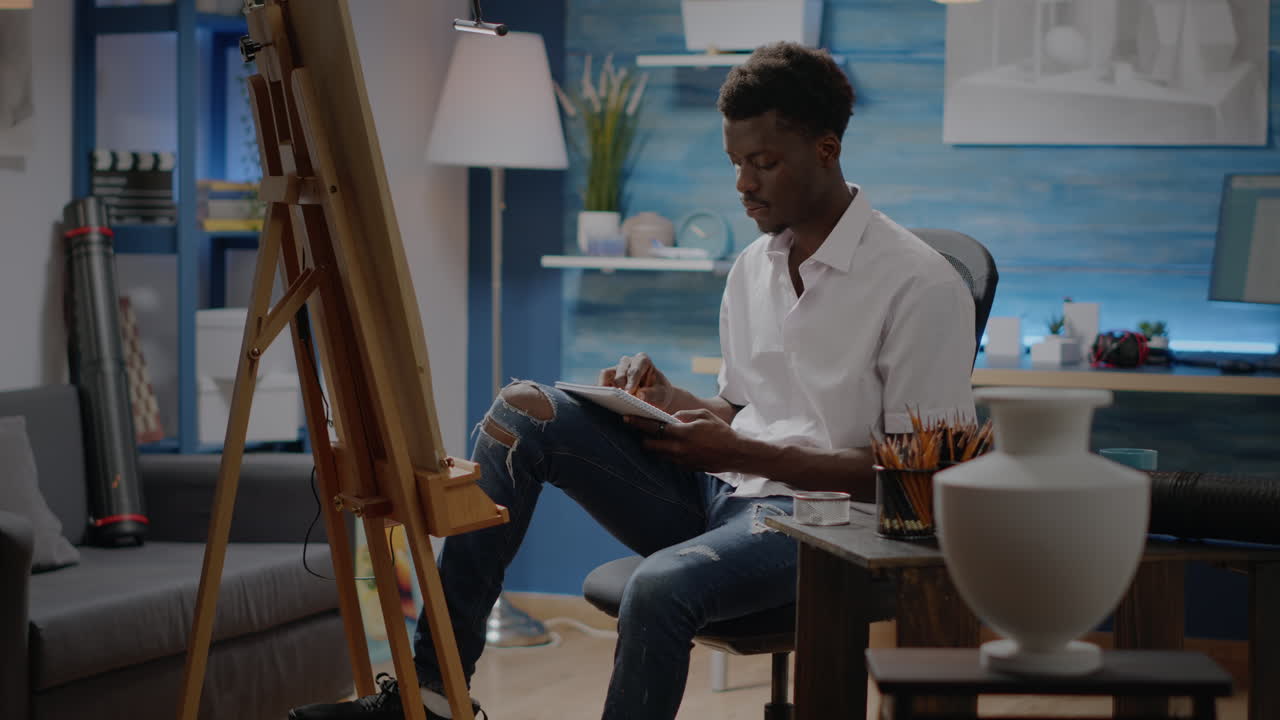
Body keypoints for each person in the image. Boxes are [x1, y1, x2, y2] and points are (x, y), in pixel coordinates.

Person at [289, 41, 976, 720]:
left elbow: (926, 484)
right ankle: (432, 698)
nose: (743, 184)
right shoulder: (753, 267)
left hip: (831, 529)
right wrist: (666, 401)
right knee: (524, 413)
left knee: (658, 588)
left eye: (764, 164)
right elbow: (742, 408)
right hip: (727, 496)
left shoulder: (919, 285)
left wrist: (742, 455)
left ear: (826, 150)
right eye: (737, 163)